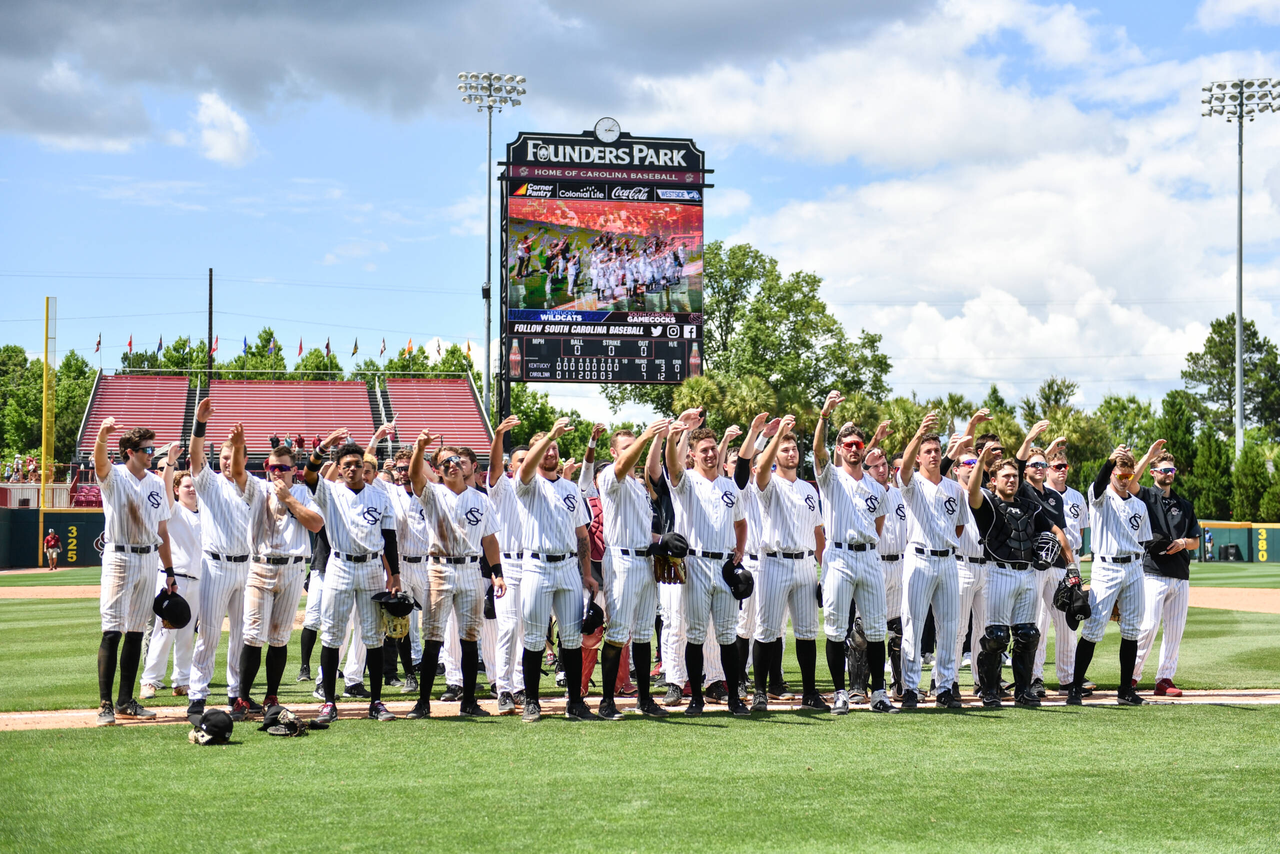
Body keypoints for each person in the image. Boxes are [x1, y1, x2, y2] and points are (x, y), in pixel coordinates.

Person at [303, 430, 401, 724]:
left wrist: (394, 574)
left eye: (357, 463)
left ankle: (376, 701)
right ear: (339, 466)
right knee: (332, 634)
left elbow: (389, 537)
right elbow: (308, 474)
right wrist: (322, 447)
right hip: (340, 564)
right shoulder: (330, 491)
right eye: (347, 464)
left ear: (364, 465)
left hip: (372, 566)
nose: (352, 468)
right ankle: (329, 702)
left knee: (373, 636)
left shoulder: (380, 494)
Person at [405, 435, 505, 719]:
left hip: (471, 568)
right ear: (436, 469)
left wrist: (497, 574)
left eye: (456, 461)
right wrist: (420, 449)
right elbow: (414, 476)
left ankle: (469, 701)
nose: (452, 465)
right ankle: (423, 702)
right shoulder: (433, 493)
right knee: (434, 637)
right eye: (444, 462)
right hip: (440, 567)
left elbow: (490, 540)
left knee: (470, 637)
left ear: (465, 466)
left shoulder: (480, 499)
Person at [965, 443, 1072, 707]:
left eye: (1014, 476)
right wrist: (981, 461)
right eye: (1006, 476)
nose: (1011, 480)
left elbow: (1054, 530)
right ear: (994, 481)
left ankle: (1024, 691)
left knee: (1028, 633)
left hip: (1028, 574)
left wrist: (1071, 566)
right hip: (998, 573)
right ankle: (989, 690)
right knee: (996, 637)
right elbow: (971, 491)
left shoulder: (1029, 507)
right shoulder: (987, 505)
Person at [813, 392, 898, 714]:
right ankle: (840, 693)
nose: (852, 449)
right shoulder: (831, 478)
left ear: (864, 450)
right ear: (839, 449)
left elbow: (878, 524)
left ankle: (879, 693)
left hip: (868, 556)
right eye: (847, 445)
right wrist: (824, 416)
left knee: (876, 628)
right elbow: (818, 451)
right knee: (836, 628)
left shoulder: (879, 489)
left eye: (857, 445)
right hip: (838, 556)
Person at [514, 418, 599, 722]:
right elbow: (525, 470)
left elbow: (582, 535)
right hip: (536, 564)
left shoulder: (571, 489)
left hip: (567, 566)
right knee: (535, 638)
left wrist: (587, 573)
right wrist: (548, 433)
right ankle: (532, 701)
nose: (550, 452)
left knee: (572, 638)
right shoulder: (528, 484)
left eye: (554, 448)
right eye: (545, 448)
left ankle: (575, 702)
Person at [1067, 441, 1164, 706]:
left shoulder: (1139, 506)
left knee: (1132, 629)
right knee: (1094, 627)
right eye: (1119, 475)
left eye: (1128, 475)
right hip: (1106, 566)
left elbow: (1143, 541)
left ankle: (1125, 690)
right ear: (1112, 474)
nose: (1123, 480)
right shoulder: (1100, 497)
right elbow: (1098, 483)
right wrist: (1110, 461)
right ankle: (1075, 687)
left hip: (1133, 567)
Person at [232, 443, 324, 720]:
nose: (278, 473)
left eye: (284, 468)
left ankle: (271, 696)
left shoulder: (303, 493)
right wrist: (238, 446)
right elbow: (238, 473)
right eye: (273, 468)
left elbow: (316, 525)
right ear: (267, 469)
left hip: (294, 567)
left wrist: (289, 500)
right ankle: (243, 698)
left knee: (280, 637)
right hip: (260, 565)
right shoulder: (259, 488)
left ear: (294, 470)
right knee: (253, 635)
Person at [665, 417, 749, 717]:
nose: (710, 454)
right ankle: (696, 698)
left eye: (713, 449)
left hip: (724, 565)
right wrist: (683, 432)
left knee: (727, 636)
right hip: (696, 562)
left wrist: (740, 549)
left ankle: (734, 697)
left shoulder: (730, 486)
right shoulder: (686, 481)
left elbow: (741, 522)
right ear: (693, 454)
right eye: (704, 450)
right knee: (696, 634)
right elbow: (671, 464)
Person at [93, 418, 174, 726]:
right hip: (118, 557)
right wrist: (102, 436)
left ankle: (126, 700)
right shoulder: (113, 477)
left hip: (147, 559)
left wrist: (169, 571)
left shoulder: (155, 483)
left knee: (137, 631)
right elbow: (101, 462)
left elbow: (163, 531)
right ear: (129, 452)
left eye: (152, 448)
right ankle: (105, 704)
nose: (151, 453)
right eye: (146, 449)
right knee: (112, 630)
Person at [185, 398, 256, 723]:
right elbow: (195, 457)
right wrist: (200, 425)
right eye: (225, 457)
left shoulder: (251, 486)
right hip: (215, 565)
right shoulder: (209, 482)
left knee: (242, 636)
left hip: (247, 566)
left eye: (235, 456)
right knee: (210, 634)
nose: (229, 462)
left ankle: (236, 694)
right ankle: (197, 695)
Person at [597, 419, 671, 720]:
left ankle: (644, 699)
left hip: (643, 560)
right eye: (625, 447)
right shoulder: (609, 476)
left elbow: (644, 532)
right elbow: (622, 465)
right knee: (617, 633)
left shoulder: (639, 487)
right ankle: (606, 701)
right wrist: (647, 435)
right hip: (621, 560)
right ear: (614, 452)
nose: (631, 452)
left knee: (642, 634)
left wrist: (664, 540)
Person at [895, 412, 966, 710]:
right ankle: (910, 688)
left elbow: (959, 526)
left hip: (948, 560)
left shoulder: (954, 489)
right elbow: (905, 468)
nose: (934, 455)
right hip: (919, 557)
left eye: (937, 450)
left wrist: (946, 542)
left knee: (949, 627)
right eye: (928, 451)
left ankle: (945, 687)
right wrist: (918, 434)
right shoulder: (911, 484)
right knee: (912, 625)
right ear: (920, 458)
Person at [1132, 451, 1201, 696]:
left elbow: (1195, 541)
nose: (1168, 473)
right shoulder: (1146, 497)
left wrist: (1183, 543)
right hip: (1153, 570)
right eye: (1163, 469)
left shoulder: (1184, 505)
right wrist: (1150, 454)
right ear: (1153, 472)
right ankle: (1131, 675)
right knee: (1148, 626)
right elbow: (1130, 482)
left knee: (1175, 630)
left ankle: (1165, 679)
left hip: (1180, 574)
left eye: (1171, 470)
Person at [140, 446, 201, 699]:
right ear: (177, 490)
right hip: (173, 581)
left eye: (193, 485)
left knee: (188, 636)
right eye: (186, 486)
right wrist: (170, 465)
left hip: (197, 582)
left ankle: (182, 680)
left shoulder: (205, 512)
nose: (191, 489)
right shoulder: (174, 510)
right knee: (164, 632)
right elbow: (164, 491)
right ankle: (150, 680)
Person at [1040, 445, 1089, 695]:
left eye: (1065, 467)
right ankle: (1035, 677)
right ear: (1047, 469)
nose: (1062, 471)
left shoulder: (1077, 497)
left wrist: (1073, 564)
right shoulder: (1041, 492)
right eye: (1057, 467)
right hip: (1046, 561)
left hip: (1071, 560)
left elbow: (1079, 534)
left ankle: (1068, 678)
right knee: (1039, 622)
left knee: (1068, 621)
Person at [487, 419, 528, 714]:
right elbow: (493, 468)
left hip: (536, 565)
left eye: (530, 459)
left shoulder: (541, 489)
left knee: (528, 630)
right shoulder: (504, 486)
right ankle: (503, 687)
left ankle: (521, 686)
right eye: (520, 460)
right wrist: (499, 435)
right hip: (508, 565)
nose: (526, 464)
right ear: (511, 466)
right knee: (508, 628)